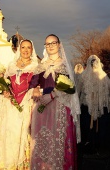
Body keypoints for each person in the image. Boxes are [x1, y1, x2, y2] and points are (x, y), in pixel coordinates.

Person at [29, 34, 81, 170]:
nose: (51, 46)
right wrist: (34, 89)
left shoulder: (65, 64)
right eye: (48, 44)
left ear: (59, 44)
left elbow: (71, 87)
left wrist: (52, 95)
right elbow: (33, 82)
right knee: (44, 140)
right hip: (42, 108)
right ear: (45, 46)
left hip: (60, 107)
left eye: (53, 43)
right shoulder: (41, 65)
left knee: (58, 139)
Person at [0, 39, 38, 169]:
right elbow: (6, 84)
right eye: (23, 47)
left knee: (24, 134)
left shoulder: (36, 66)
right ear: (19, 49)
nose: (26, 50)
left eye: (29, 47)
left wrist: (32, 92)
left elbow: (37, 86)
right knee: (10, 134)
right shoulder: (11, 66)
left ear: (32, 50)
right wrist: (4, 91)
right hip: (10, 106)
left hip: (27, 105)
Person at [77, 55, 110, 156]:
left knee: (99, 128)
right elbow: (79, 91)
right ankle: (87, 147)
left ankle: (97, 147)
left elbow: (107, 92)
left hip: (100, 108)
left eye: (95, 63)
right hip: (86, 107)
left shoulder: (104, 76)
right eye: (92, 63)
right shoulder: (83, 76)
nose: (94, 65)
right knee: (87, 127)